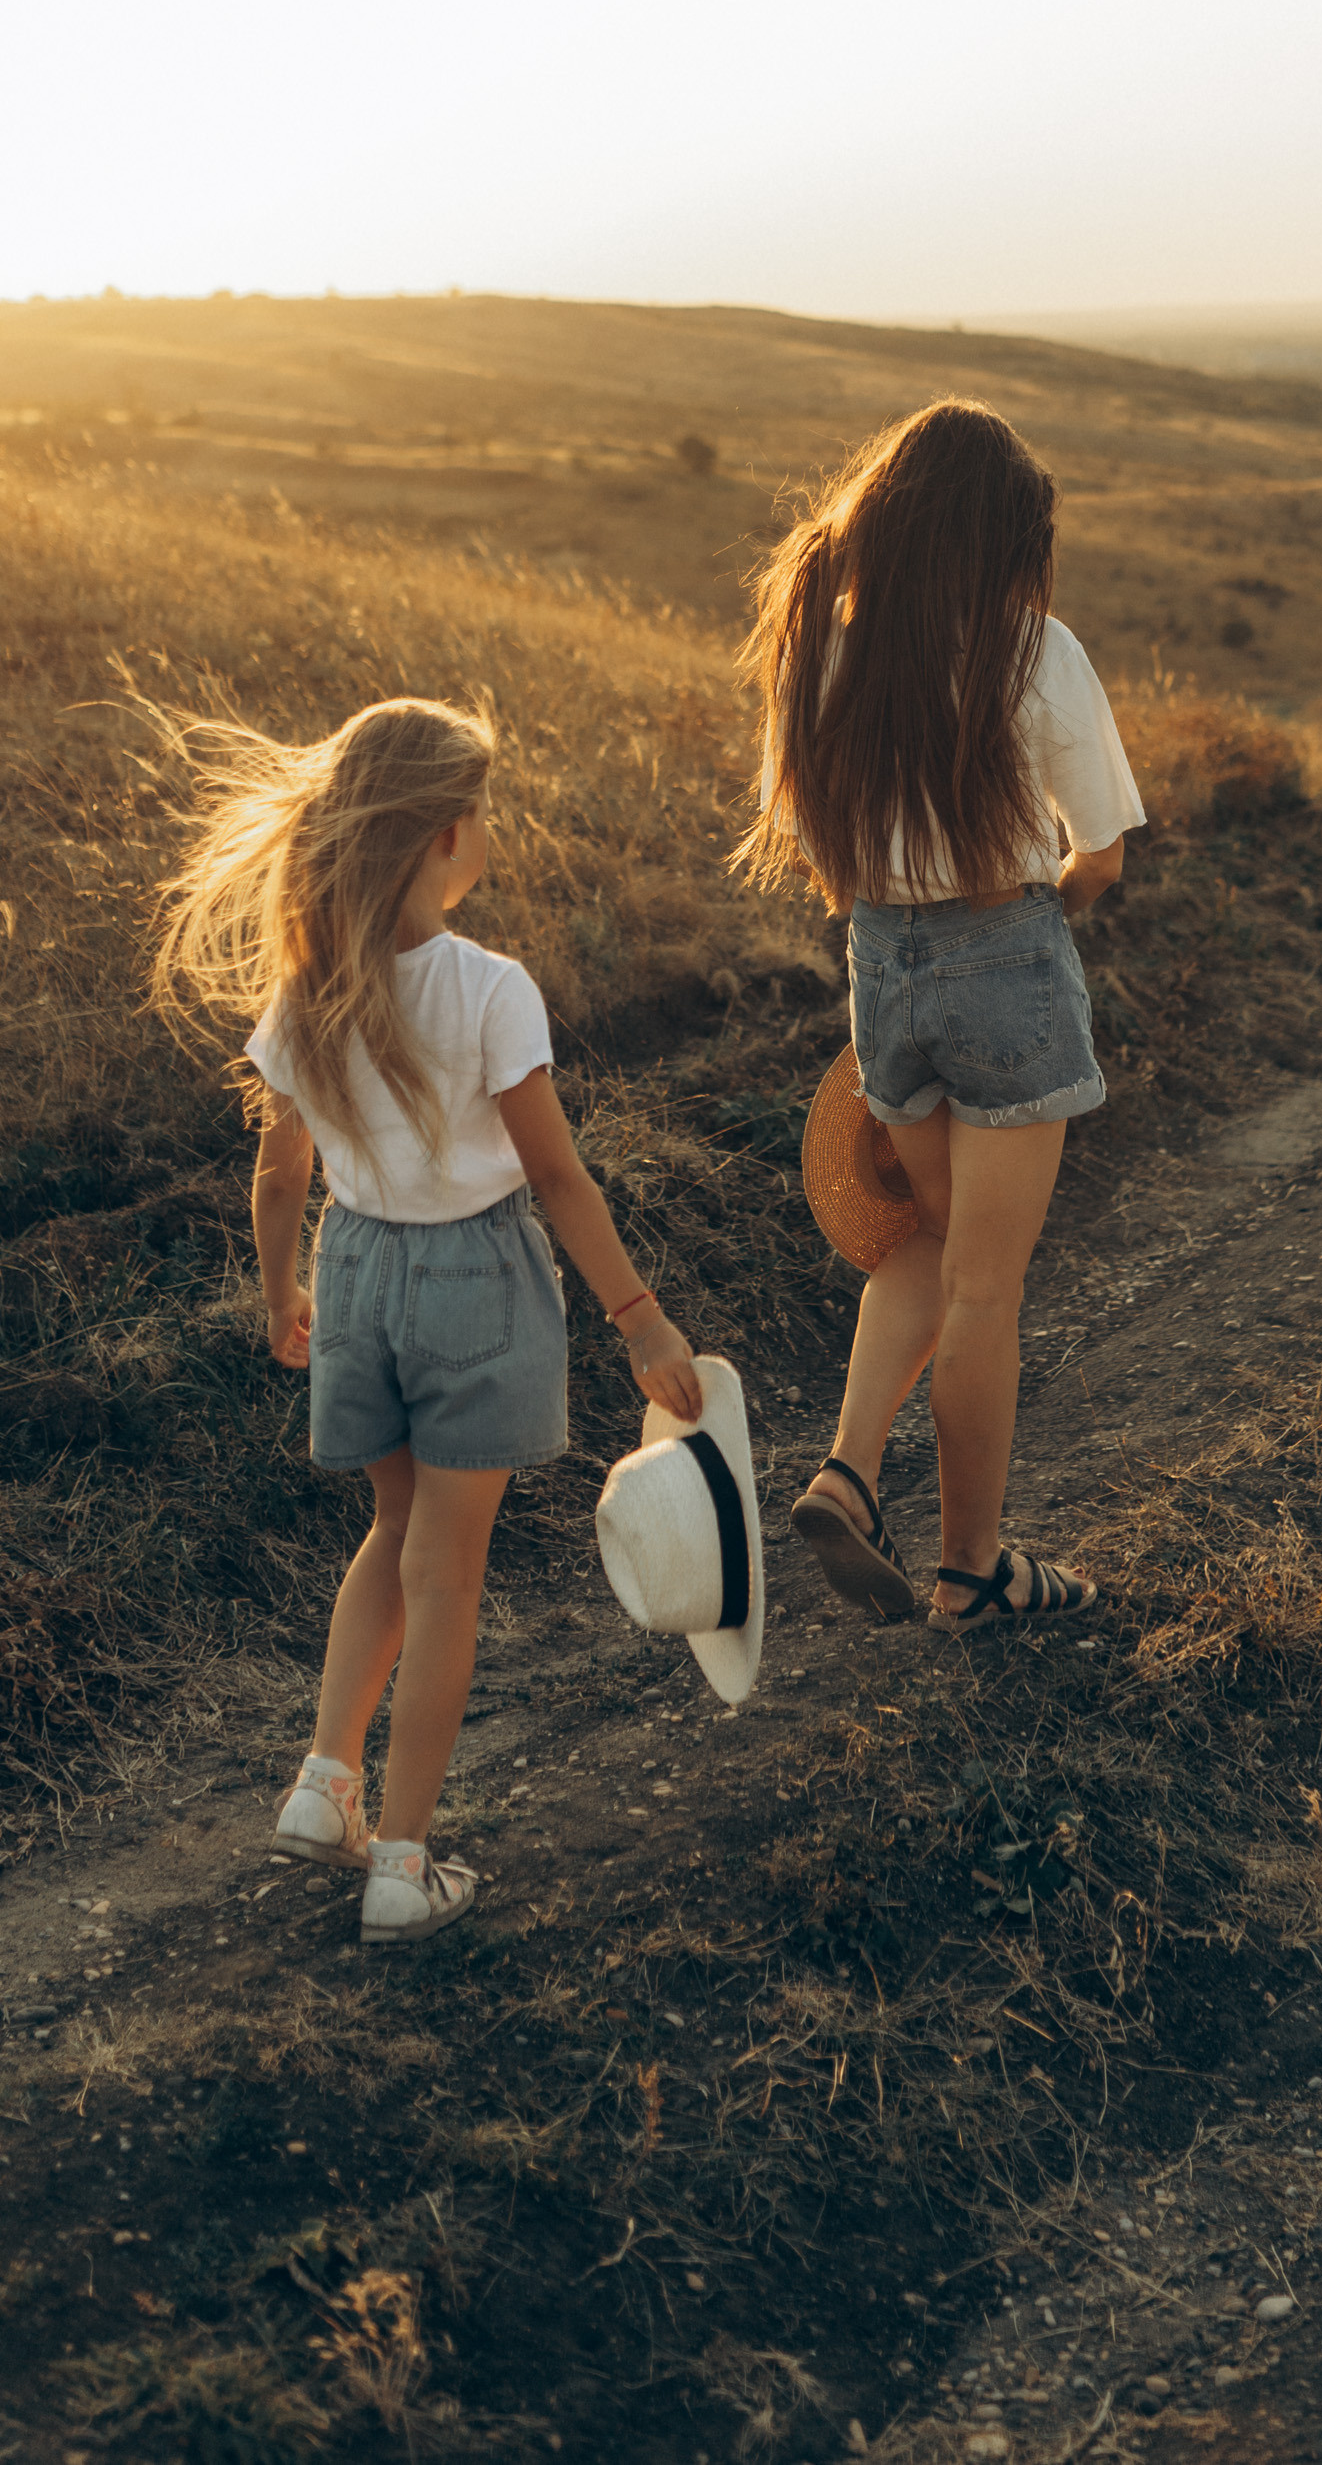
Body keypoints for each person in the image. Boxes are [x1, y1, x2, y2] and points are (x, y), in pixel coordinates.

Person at [151, 695, 703, 1942]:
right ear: (448, 835)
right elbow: (557, 1176)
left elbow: (280, 1169)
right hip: (474, 1284)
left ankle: (323, 1781)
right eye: (484, 812)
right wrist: (641, 1319)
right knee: (446, 1569)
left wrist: (281, 1285)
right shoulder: (489, 989)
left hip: (354, 1274)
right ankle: (401, 1861)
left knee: (396, 1531)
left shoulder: (310, 992)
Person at [736, 400, 1143, 1626]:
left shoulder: (822, 648)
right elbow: (1102, 853)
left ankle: (849, 1471)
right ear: (1002, 537)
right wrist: (1055, 896)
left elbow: (809, 835)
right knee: (981, 1286)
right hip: (1003, 954)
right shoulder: (1035, 650)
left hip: (883, 968)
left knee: (924, 1240)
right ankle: (972, 1568)